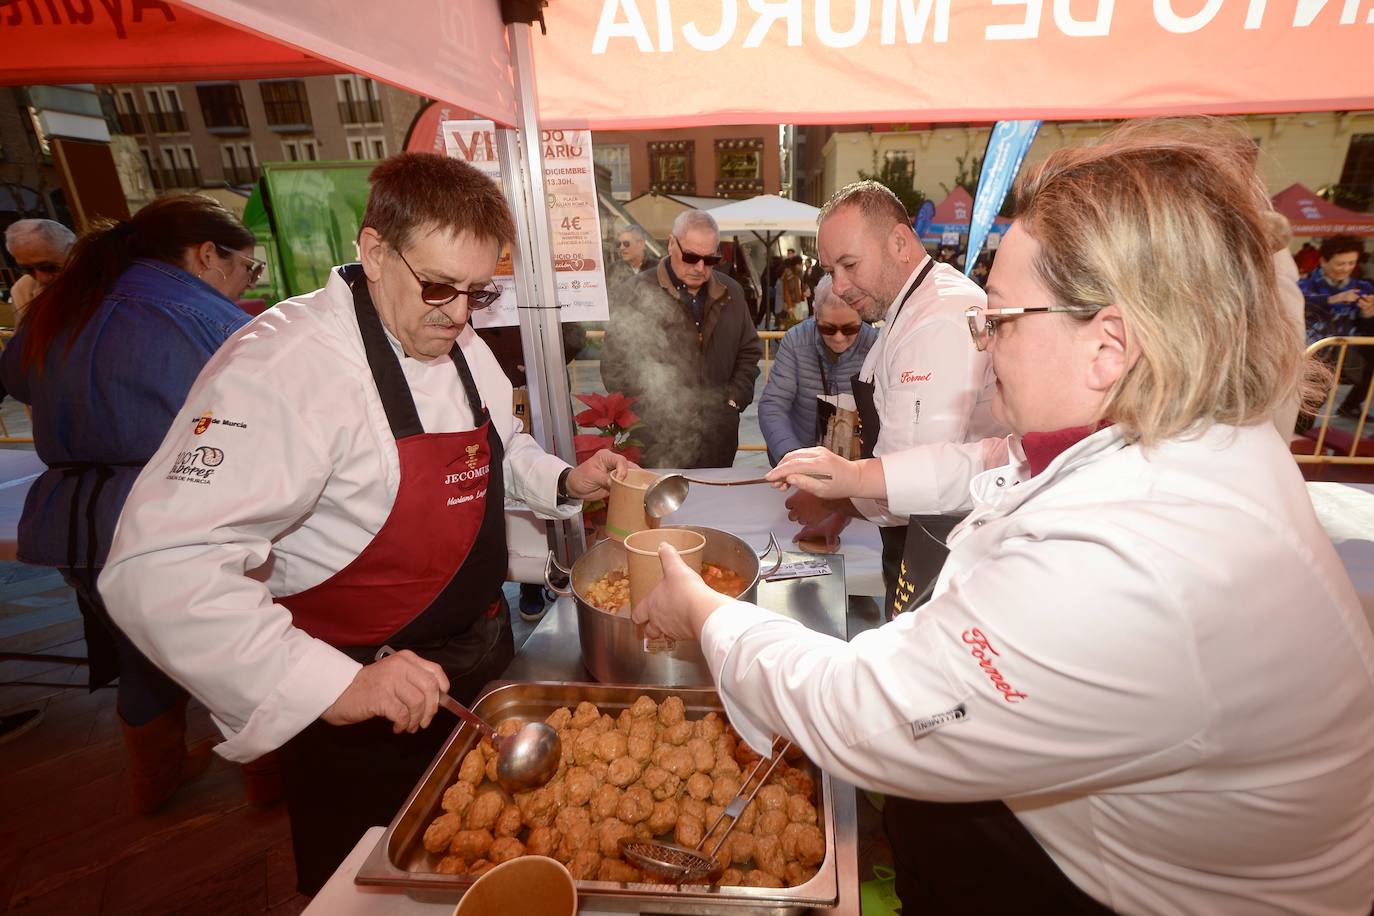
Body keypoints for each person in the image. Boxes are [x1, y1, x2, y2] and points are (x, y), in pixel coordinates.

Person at [635, 119, 1374, 915]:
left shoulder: (1131, 563)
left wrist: (704, 613)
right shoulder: (1186, 439)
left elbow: (868, 712)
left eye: (1000, 322)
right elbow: (988, 463)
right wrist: (857, 477)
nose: (983, 350)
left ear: (1109, 347)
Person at [98, 153, 630, 893]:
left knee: (491, 871)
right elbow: (159, 569)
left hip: (479, 663)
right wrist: (334, 685)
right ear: (375, 251)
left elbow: (500, 448)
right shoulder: (282, 369)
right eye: (440, 286)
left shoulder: (458, 336)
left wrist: (566, 480)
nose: (461, 313)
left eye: (480, 291)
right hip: (362, 698)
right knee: (373, 889)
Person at [0, 195, 260, 813]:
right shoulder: (204, 315)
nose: (247, 282)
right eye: (248, 268)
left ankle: (154, 783)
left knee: (138, 655)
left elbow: (14, 379)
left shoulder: (62, 305)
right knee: (233, 653)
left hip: (73, 523)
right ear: (206, 255)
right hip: (175, 512)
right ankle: (271, 786)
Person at [797, 180, 1002, 615]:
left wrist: (837, 496)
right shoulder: (909, 308)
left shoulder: (941, 318)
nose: (840, 285)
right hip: (921, 535)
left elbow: (918, 471)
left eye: (850, 264)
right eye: (831, 270)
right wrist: (845, 508)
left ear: (899, 242)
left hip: (948, 552)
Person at [600, 208, 761, 468]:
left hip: (717, 437)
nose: (700, 268)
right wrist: (649, 412)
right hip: (655, 440)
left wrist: (733, 400)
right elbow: (613, 366)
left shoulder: (731, 291)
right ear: (672, 244)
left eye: (710, 259)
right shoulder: (635, 292)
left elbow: (749, 351)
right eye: (691, 256)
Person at [758, 275, 877, 466]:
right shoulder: (795, 341)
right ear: (815, 314)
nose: (839, 338)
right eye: (828, 329)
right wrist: (792, 456)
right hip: (802, 457)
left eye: (850, 329)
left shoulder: (876, 345)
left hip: (856, 469)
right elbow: (773, 405)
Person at [1299, 235, 1374, 418]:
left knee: (1311, 410)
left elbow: (1366, 328)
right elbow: (1298, 303)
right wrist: (1333, 299)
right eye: (1340, 263)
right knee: (1295, 409)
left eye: (1351, 263)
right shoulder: (1306, 284)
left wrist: (1368, 313)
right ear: (1324, 261)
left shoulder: (1363, 287)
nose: (1346, 268)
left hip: (1338, 359)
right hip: (1305, 356)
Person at [5, 218, 76, 320]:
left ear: (75, 252)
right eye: (28, 270)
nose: (41, 278)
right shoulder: (23, 289)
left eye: (49, 267)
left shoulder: (105, 279)